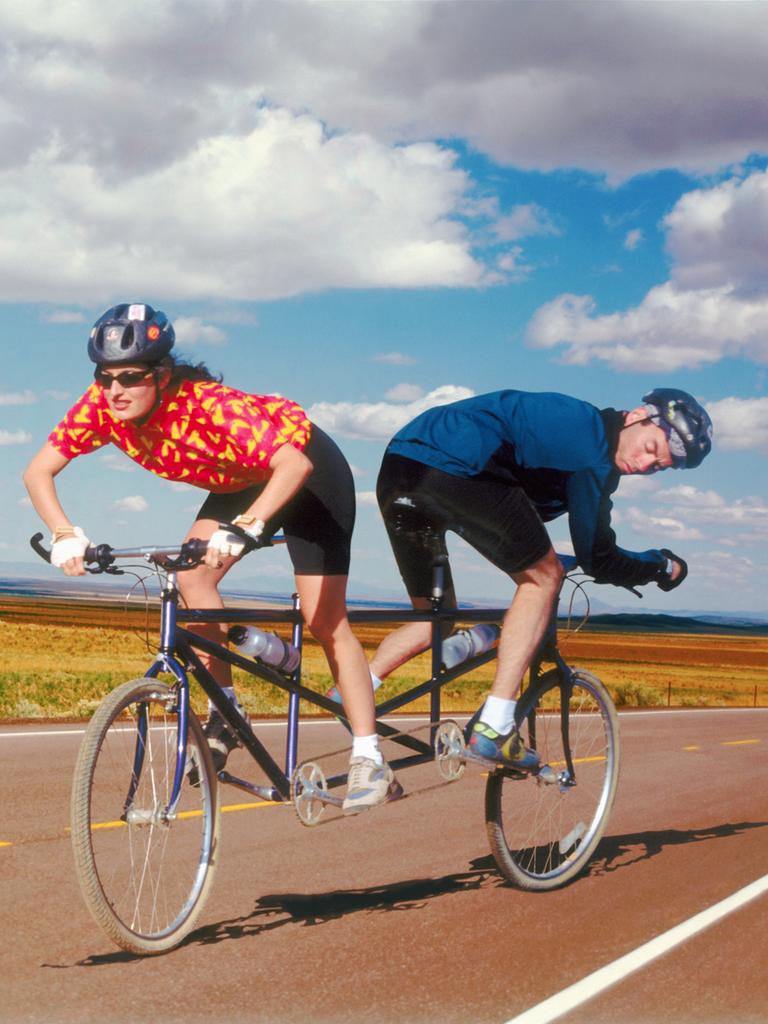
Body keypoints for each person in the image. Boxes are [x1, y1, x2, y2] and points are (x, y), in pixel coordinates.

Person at [23, 302, 401, 814]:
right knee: (190, 578)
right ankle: (228, 712)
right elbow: (38, 471)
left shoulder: (206, 406)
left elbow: (292, 464)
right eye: (104, 376)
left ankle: (368, 755)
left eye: (130, 377)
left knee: (324, 618)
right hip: (240, 481)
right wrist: (64, 532)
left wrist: (249, 526)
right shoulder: (101, 405)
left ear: (161, 374)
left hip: (307, 475)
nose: (115, 390)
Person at [369, 388, 713, 768]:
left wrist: (551, 556)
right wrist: (659, 566)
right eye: (650, 448)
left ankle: (353, 691)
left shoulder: (569, 432)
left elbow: (519, 514)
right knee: (542, 579)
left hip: (401, 467)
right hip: (457, 465)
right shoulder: (594, 447)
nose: (647, 464)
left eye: (659, 466)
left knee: (437, 617)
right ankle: (495, 727)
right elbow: (598, 555)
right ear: (635, 417)